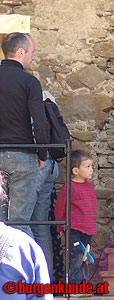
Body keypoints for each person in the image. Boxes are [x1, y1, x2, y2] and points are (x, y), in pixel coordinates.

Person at [0, 32, 49, 236]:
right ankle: (20, 268)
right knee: (19, 224)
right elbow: (40, 123)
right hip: (22, 155)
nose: (33, 57)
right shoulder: (30, 82)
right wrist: (42, 154)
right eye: (32, 52)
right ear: (21, 52)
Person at [30, 91, 60, 282]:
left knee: (19, 223)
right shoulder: (47, 99)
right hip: (51, 164)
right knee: (41, 226)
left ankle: (24, 283)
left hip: (35, 164)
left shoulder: (23, 98)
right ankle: (45, 283)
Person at [55, 150, 97, 284]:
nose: (91, 170)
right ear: (75, 170)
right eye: (87, 166)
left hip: (87, 230)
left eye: (91, 166)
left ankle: (82, 285)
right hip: (73, 230)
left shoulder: (89, 187)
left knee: (84, 258)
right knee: (75, 258)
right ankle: (72, 286)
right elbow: (60, 209)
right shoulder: (69, 188)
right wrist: (60, 227)